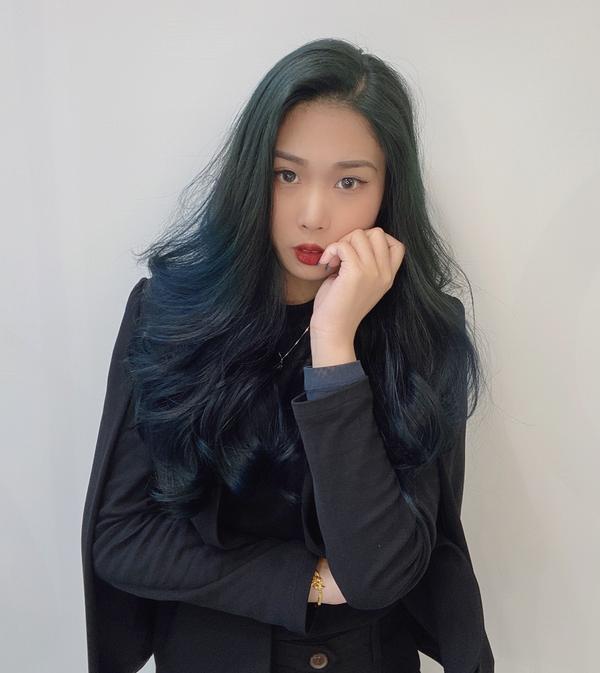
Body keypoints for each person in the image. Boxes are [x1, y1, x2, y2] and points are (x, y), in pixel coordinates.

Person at [81, 37, 494, 673]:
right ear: (254, 174)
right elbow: (121, 538)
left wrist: (334, 345)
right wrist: (308, 581)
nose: (313, 215)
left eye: (349, 181)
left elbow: (381, 574)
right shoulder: (168, 312)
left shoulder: (422, 330)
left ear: (387, 190)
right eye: (287, 174)